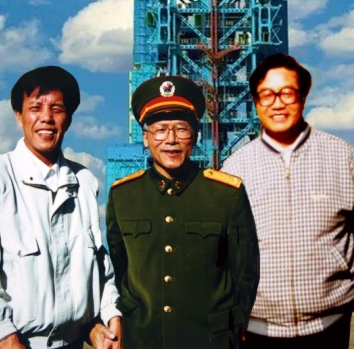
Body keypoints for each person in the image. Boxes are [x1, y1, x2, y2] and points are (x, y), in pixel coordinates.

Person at [221, 53, 354, 349]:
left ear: (303, 97)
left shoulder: (341, 156)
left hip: (329, 327)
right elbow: (220, 248)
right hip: (256, 331)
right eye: (267, 95)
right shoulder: (236, 167)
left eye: (287, 93)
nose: (277, 103)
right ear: (256, 102)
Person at [0, 66, 122, 349]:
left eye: (57, 108)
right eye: (35, 108)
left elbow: (98, 263)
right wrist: (6, 338)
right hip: (4, 344)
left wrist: (109, 315)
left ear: (69, 119)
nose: (46, 117)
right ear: (18, 116)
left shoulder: (83, 181)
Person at [106, 75, 260, 349]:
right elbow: (120, 269)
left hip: (209, 341)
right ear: (146, 138)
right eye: (160, 130)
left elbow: (245, 274)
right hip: (143, 338)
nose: (171, 140)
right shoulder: (123, 195)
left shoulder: (227, 194)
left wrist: (232, 329)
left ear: (195, 135)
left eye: (181, 129)